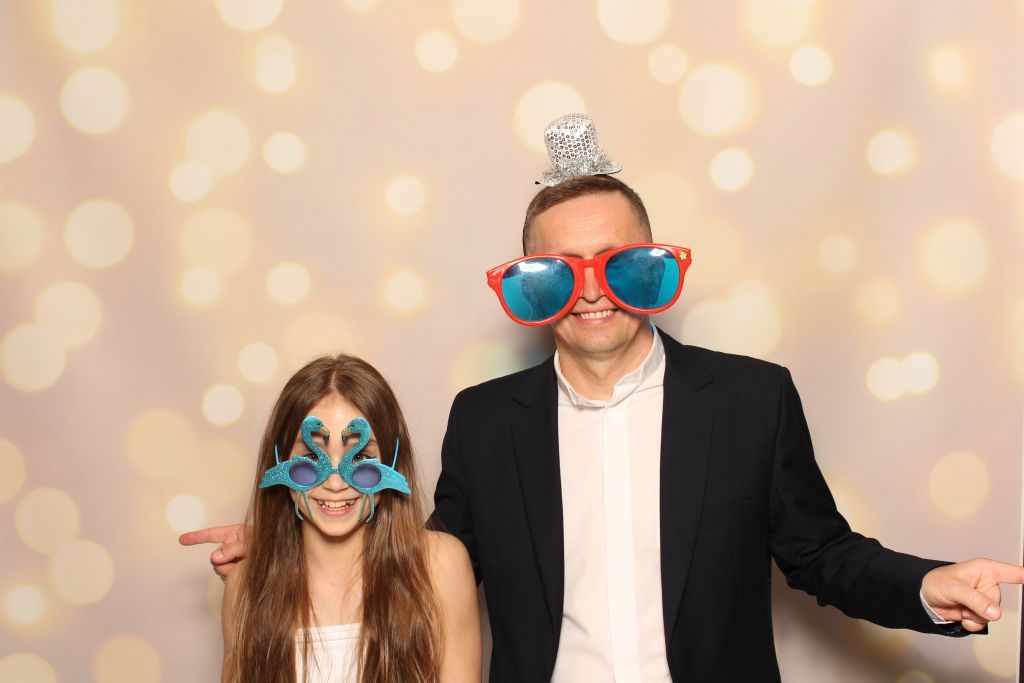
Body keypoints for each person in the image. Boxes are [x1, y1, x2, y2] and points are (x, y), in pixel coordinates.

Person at [184, 115, 1024, 682]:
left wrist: (927, 584)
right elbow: (427, 561)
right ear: (530, 285)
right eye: (560, 271)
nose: (592, 291)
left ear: (652, 265)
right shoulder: (485, 421)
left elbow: (823, 554)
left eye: (618, 264)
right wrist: (300, 521)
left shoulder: (751, 400)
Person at [218, 354, 480, 683]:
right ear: (279, 462)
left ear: (392, 463)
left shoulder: (441, 565)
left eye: (361, 458)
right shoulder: (245, 584)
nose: (335, 483)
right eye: (311, 457)